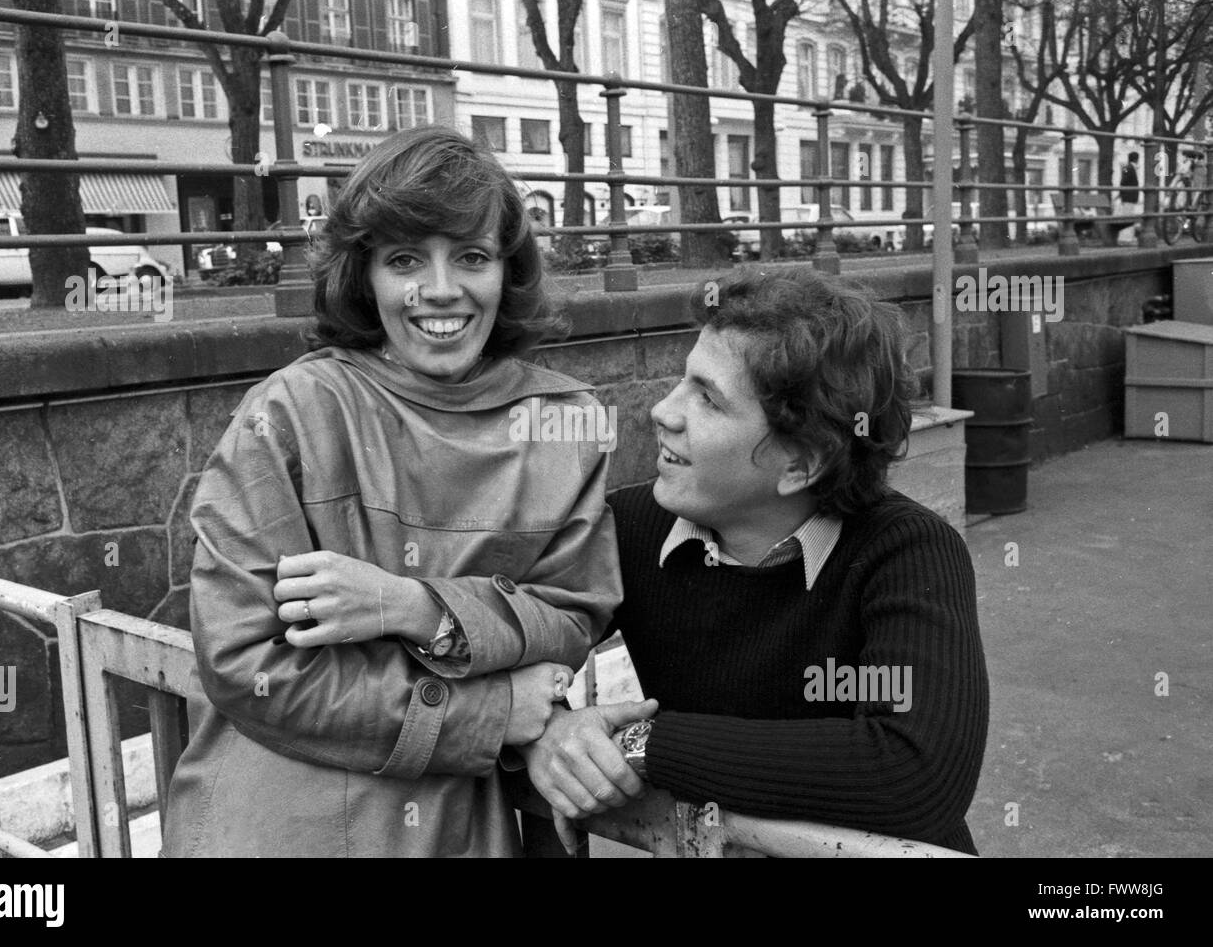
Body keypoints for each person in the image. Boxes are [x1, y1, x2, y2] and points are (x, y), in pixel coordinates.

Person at [162, 126, 623, 857]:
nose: (440, 291)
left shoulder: (564, 421)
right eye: (406, 259)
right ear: (364, 274)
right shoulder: (288, 414)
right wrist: (489, 708)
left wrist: (412, 607)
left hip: (451, 827)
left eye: (470, 256)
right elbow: (247, 661)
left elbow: (574, 618)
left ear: (508, 268)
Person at [521, 268, 990, 856]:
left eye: (708, 399)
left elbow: (912, 771)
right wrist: (550, 733)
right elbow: (513, 653)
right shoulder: (630, 527)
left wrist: (643, 743)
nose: (663, 412)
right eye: (682, 382)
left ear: (801, 463)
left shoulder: (909, 553)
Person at [1117, 152, 1141, 245]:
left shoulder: (1128, 168)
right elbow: (1123, 181)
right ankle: (1126, 239)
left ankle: (1126, 238)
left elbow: (1123, 181)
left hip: (1128, 197)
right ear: (1136, 159)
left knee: (1128, 216)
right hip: (1128, 197)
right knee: (1128, 217)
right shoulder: (1129, 168)